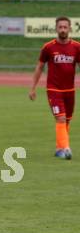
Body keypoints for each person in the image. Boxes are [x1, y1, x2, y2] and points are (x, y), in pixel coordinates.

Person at [29, 16, 80, 160]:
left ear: (70, 29)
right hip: (54, 90)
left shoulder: (76, 47)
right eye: (60, 27)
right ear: (56, 28)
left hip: (70, 90)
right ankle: (66, 148)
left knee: (67, 120)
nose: (63, 30)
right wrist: (33, 88)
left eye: (65, 27)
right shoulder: (48, 47)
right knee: (61, 118)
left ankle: (59, 149)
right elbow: (39, 67)